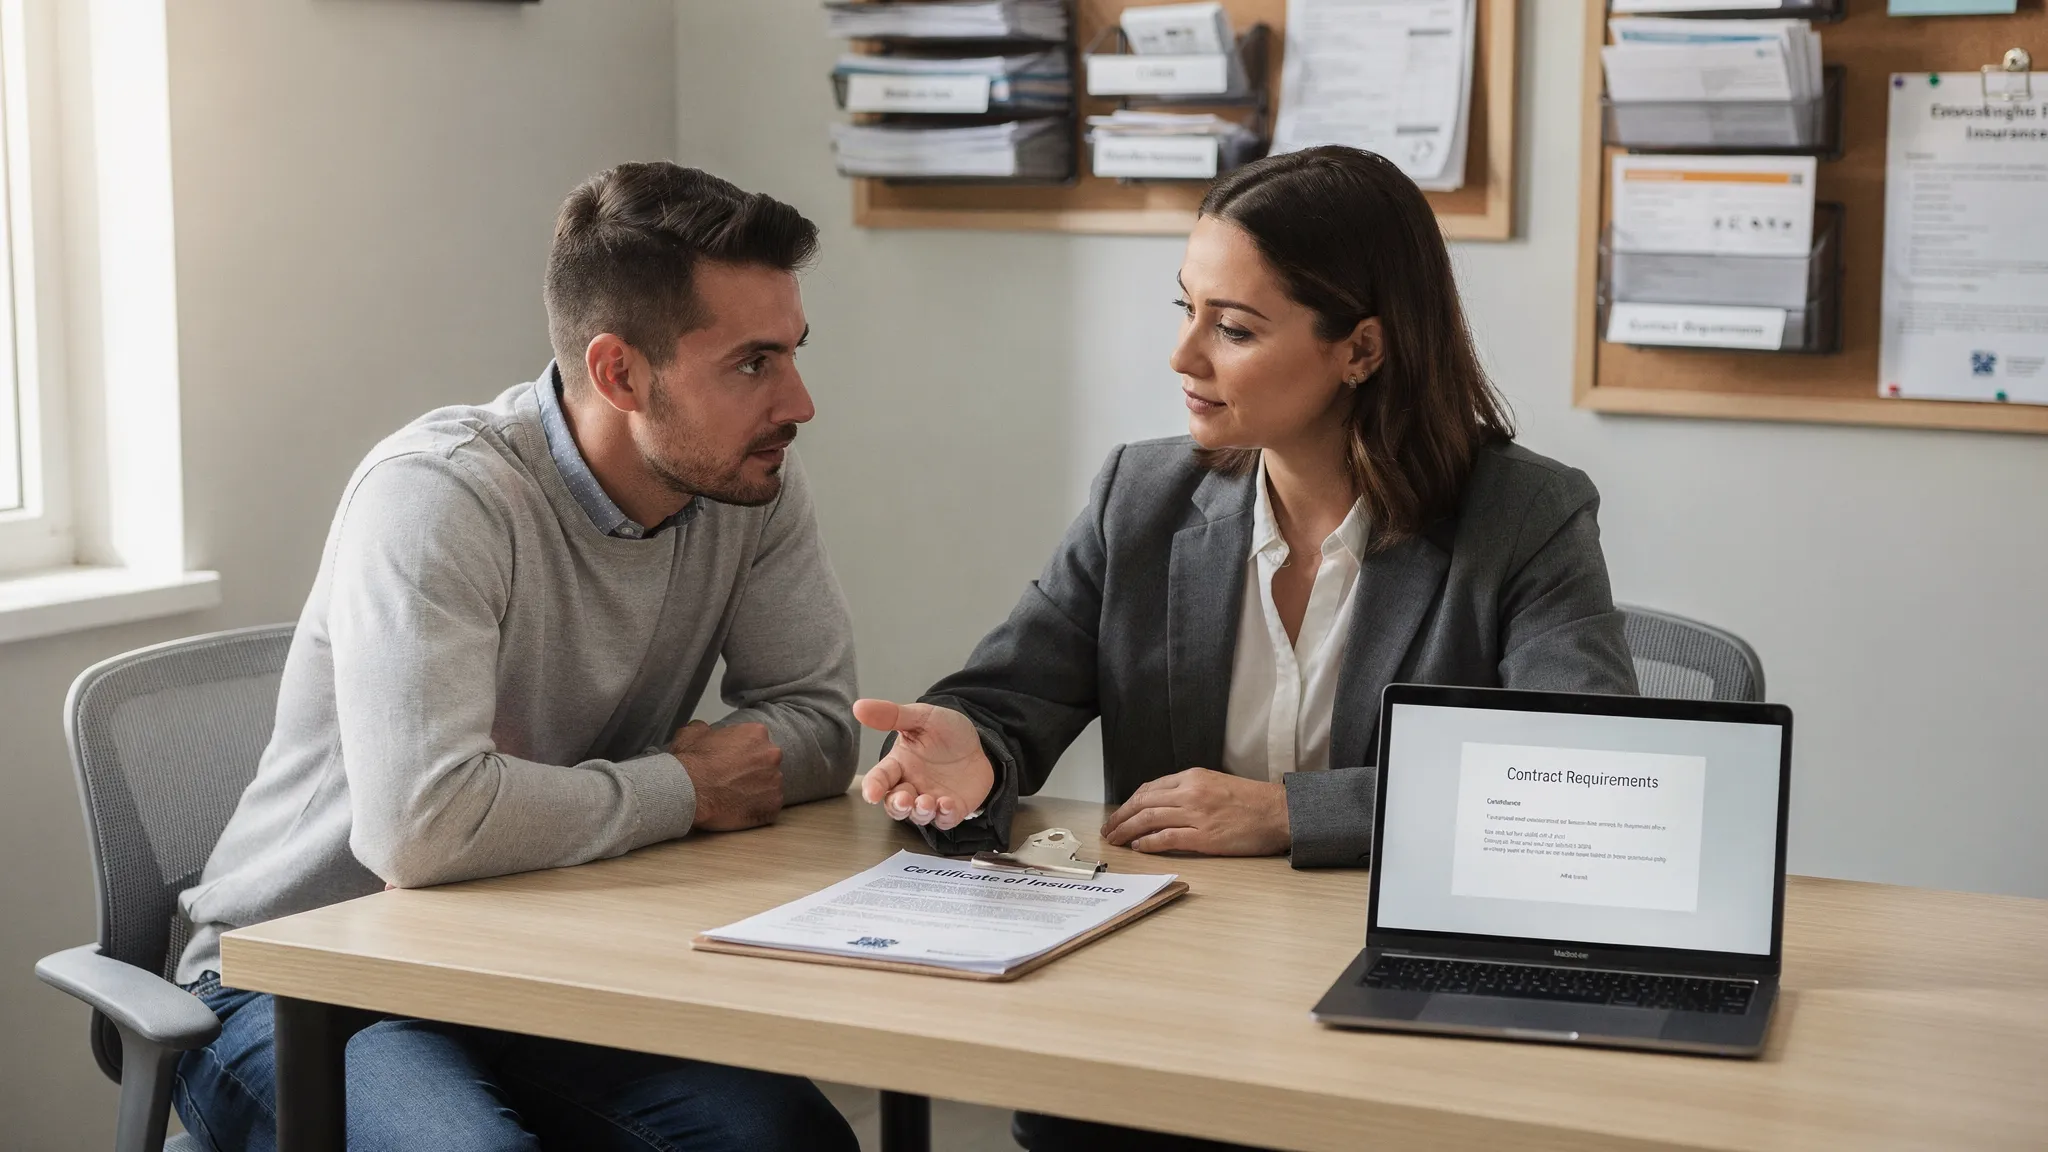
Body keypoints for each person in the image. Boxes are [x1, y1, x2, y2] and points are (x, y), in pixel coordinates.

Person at [854, 146, 1639, 1151]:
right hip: (1169, 1011)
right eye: (1183, 310)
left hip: (1396, 1015)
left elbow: (1576, 775)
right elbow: (1011, 694)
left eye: (1230, 328)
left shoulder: (1522, 516)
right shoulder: (1140, 496)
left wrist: (1289, 814)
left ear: (1359, 349)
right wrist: (971, 750)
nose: (1183, 358)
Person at [171, 163, 860, 1151]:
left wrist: (559, 804)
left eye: (792, 353)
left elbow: (821, 729)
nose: (797, 402)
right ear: (620, 372)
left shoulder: (748, 486)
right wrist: (686, 789)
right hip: (302, 975)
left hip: (534, 963)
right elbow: (425, 826)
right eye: (752, 364)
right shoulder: (439, 498)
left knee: (783, 1139)